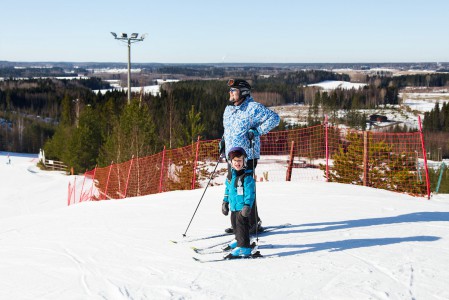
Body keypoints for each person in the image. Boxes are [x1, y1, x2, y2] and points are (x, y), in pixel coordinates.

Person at [219, 79, 280, 234]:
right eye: (230, 90)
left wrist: (257, 131)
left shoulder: (253, 108)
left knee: (245, 189)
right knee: (234, 187)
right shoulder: (229, 110)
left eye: (234, 90)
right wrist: (223, 142)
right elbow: (228, 130)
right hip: (231, 156)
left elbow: (274, 119)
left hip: (248, 155)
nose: (230, 93)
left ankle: (252, 223)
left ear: (243, 92)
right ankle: (238, 223)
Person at [221, 147, 255, 258]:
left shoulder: (247, 177)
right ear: (231, 162)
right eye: (235, 161)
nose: (237, 163)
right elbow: (227, 190)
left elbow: (250, 193)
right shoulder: (230, 177)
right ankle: (238, 240)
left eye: (240, 160)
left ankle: (244, 247)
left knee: (242, 226)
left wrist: (247, 205)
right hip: (234, 207)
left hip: (242, 208)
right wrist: (225, 202)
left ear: (244, 161)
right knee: (235, 224)